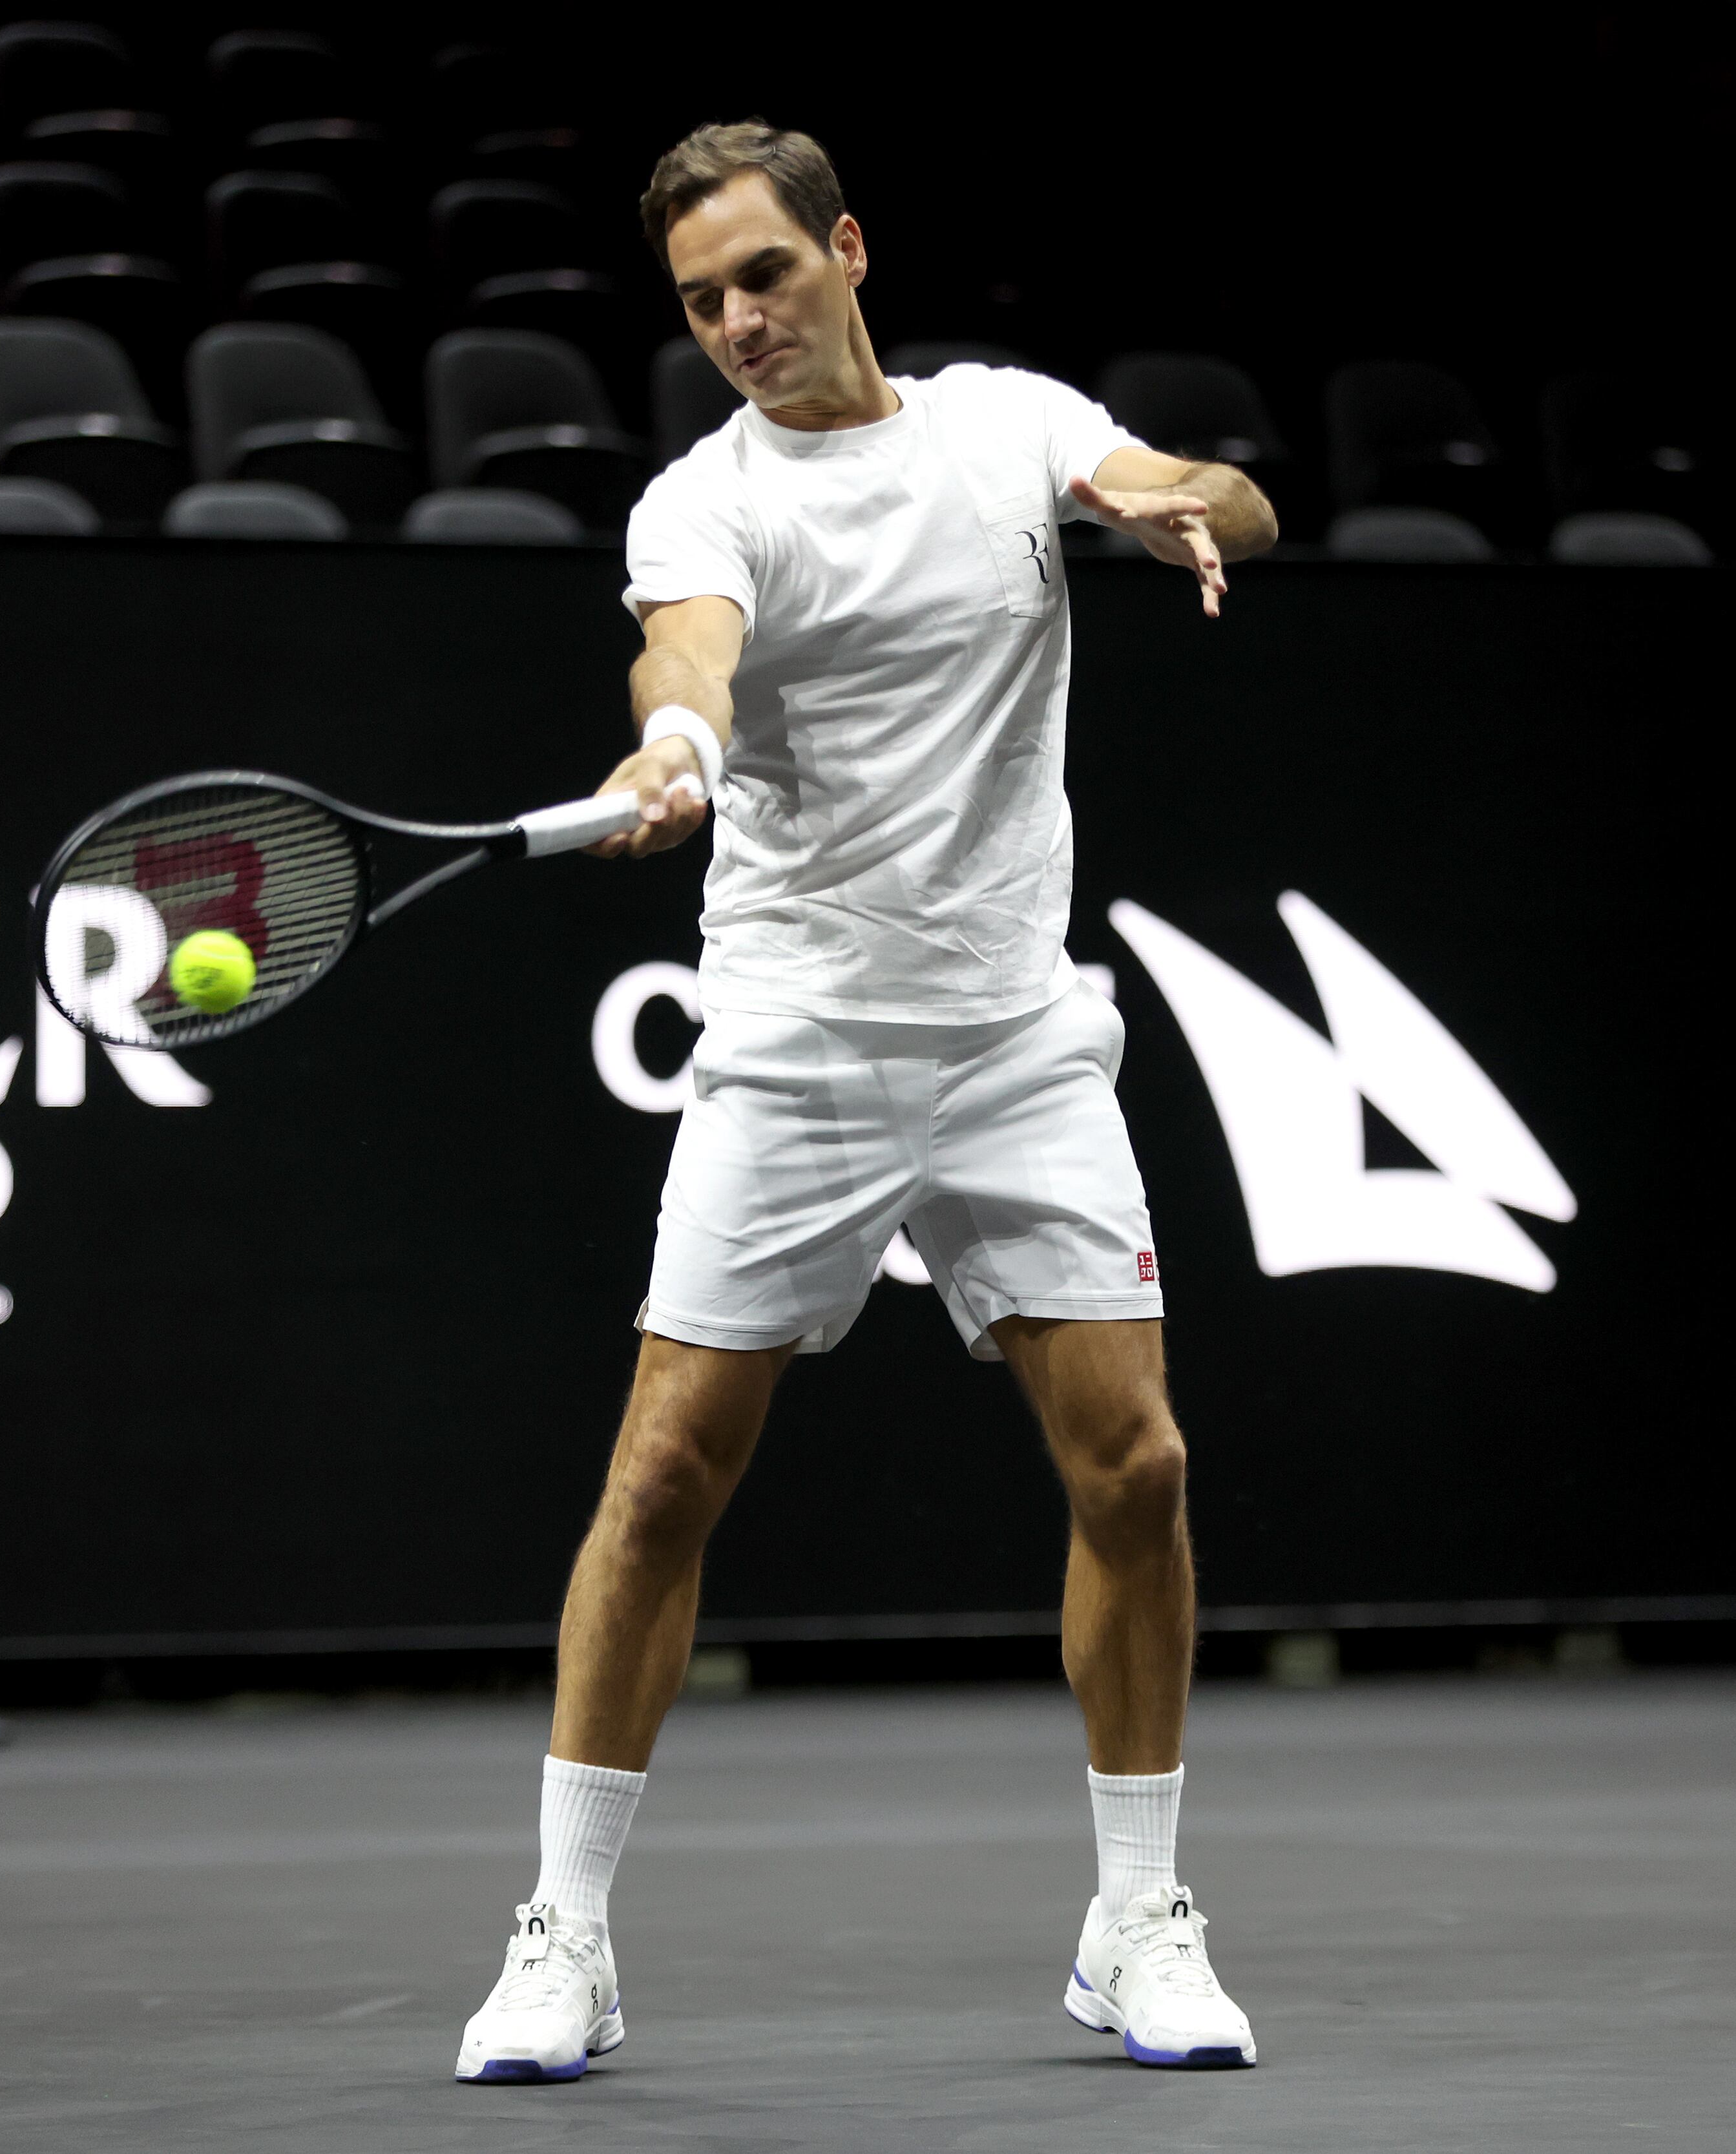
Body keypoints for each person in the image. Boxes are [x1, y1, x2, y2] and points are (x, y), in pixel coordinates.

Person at [454, 120, 1277, 2085]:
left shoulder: (1005, 426)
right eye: (701, 300)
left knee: (1138, 1468)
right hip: (794, 1048)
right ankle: (562, 1934)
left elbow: (1203, 490)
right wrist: (673, 744)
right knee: (662, 1477)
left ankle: (1137, 1915)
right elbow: (694, 654)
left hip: (1011, 1041)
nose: (739, 321)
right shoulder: (701, 503)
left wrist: (1177, 510)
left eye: (766, 276)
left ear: (847, 251)